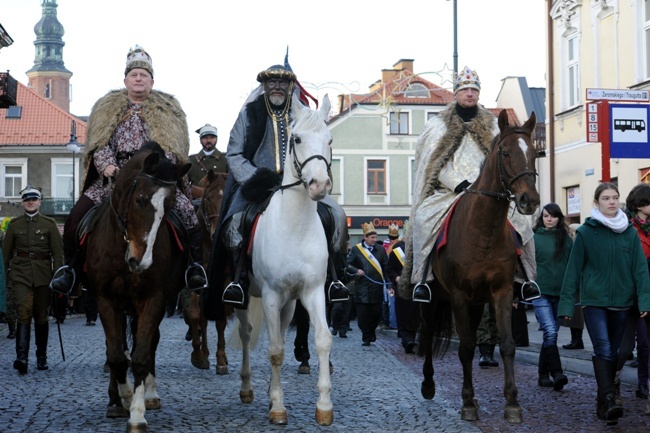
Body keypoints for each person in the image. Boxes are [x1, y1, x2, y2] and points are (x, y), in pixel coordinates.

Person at [49, 45, 206, 295]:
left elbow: (173, 149)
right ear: (125, 80)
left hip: (155, 179)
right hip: (114, 180)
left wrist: (159, 168)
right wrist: (107, 165)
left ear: (152, 82)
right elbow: (99, 143)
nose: (139, 79)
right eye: (134, 75)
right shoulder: (107, 108)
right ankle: (72, 271)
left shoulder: (169, 111)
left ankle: (194, 268)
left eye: (144, 75)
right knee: (76, 217)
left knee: (188, 215)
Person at [210, 64, 348, 307]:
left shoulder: (305, 113)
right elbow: (233, 154)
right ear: (264, 85)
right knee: (233, 222)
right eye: (271, 82)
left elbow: (321, 146)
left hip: (300, 184)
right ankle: (240, 280)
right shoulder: (249, 113)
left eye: (282, 82)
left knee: (336, 215)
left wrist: (314, 174)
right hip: (258, 184)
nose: (276, 86)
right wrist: (253, 178)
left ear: (290, 86)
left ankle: (335, 278)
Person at [399, 66, 537, 305]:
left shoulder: (494, 125)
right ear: (456, 93)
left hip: (491, 190)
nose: (470, 94)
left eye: (474, 89)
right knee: (423, 219)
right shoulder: (437, 126)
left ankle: (526, 278)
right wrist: (457, 182)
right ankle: (423, 278)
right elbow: (433, 164)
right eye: (465, 89)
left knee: (522, 222)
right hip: (450, 191)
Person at [559, 182, 650, 424]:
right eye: (606, 198)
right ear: (597, 202)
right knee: (603, 348)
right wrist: (566, 306)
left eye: (615, 197)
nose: (611, 201)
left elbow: (640, 270)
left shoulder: (629, 232)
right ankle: (610, 398)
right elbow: (573, 271)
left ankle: (605, 398)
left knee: (616, 352)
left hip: (622, 301)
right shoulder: (587, 232)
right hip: (594, 301)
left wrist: (644, 300)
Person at [3, 186, 64, 374]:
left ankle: (41, 357)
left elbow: (58, 254)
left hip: (44, 276)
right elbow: (5, 255)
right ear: (22, 203)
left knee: (41, 316)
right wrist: (5, 280)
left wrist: (58, 278)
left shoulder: (49, 224)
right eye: (27, 200)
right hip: (20, 275)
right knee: (23, 311)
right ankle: (22, 357)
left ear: (39, 202)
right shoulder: (14, 225)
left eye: (34, 199)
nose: (30, 202)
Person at [532, 203, 572, 390]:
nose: (549, 219)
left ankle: (542, 374)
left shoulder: (566, 238)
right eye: (546, 216)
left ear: (559, 218)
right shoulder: (533, 238)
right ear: (542, 217)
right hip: (540, 292)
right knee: (550, 332)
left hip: (561, 293)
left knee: (551, 337)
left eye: (553, 216)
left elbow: (572, 264)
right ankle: (557, 372)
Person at [615, 183, 650, 401]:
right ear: (639, 205)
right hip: (631, 294)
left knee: (646, 345)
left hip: (649, 291)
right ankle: (614, 380)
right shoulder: (626, 227)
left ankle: (643, 384)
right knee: (625, 348)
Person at [346, 222, 388, 346]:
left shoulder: (381, 250)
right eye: (372, 238)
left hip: (377, 288)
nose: (375, 240)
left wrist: (389, 285)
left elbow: (385, 268)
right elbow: (347, 265)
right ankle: (366, 335)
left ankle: (371, 331)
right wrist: (356, 271)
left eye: (375, 237)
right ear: (365, 237)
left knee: (376, 314)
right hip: (362, 288)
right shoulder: (356, 250)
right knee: (363, 316)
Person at [385, 224, 420, 353]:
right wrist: (396, 278)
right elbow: (389, 268)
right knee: (403, 314)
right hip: (402, 288)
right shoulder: (397, 249)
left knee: (415, 314)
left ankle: (412, 337)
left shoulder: (419, 249)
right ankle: (406, 339)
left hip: (415, 287)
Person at [187, 123, 228, 201]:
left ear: (216, 139)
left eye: (212, 137)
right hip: (197, 203)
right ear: (200, 140)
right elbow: (185, 185)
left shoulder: (225, 159)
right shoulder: (191, 160)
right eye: (205, 138)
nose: (209, 140)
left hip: (220, 202)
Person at [562, 222, 585, 350]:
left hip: (578, 284)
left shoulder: (576, 243)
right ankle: (575, 339)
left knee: (576, 315)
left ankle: (577, 340)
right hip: (574, 284)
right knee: (573, 314)